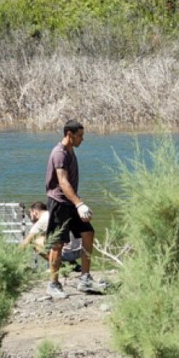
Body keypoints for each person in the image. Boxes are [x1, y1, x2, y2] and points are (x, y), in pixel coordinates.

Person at [43, 119, 105, 298]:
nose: (82, 139)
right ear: (69, 135)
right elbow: (62, 182)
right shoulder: (59, 153)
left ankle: (85, 279)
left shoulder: (70, 151)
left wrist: (77, 203)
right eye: (80, 136)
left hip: (71, 202)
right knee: (57, 244)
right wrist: (79, 203)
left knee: (88, 233)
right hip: (59, 204)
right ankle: (53, 284)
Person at [20, 201, 84, 271]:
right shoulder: (56, 213)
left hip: (67, 254)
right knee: (58, 236)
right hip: (81, 251)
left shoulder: (41, 221)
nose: (30, 216)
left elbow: (25, 243)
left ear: (35, 212)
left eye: (30, 213)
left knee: (34, 242)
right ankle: (73, 264)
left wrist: (15, 256)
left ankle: (57, 265)